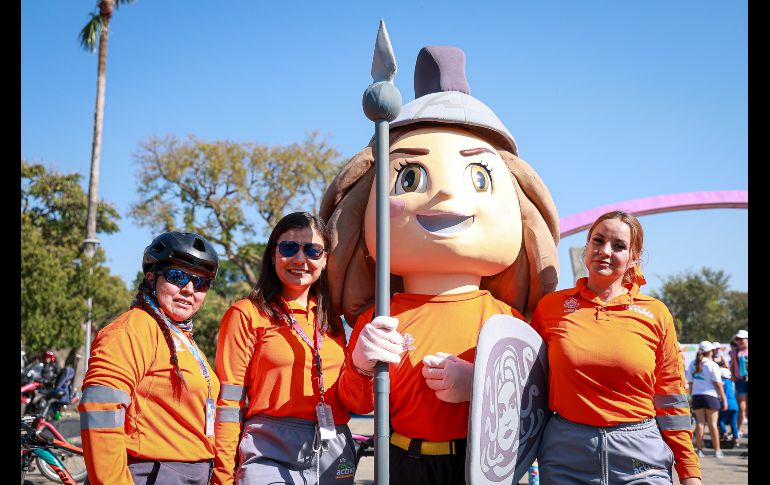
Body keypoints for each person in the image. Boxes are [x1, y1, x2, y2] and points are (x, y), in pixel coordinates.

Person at [320, 45, 559, 483]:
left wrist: (480, 387)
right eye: (409, 177)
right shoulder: (380, 318)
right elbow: (355, 402)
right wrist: (360, 365)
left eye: (479, 178)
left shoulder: (506, 324)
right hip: (401, 461)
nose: (446, 194)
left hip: (471, 464)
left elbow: (533, 407)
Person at [530, 211, 701, 484]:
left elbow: (671, 396)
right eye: (598, 241)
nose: (605, 251)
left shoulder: (656, 314)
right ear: (587, 246)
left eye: (619, 246)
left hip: (640, 457)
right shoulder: (550, 308)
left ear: (634, 257)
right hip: (566, 455)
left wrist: (689, 471)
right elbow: (529, 386)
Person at [212, 212, 356, 485]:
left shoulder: (333, 320)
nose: (300, 259)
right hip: (269, 447)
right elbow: (228, 404)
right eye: (289, 248)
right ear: (272, 255)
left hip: (333, 446)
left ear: (325, 260)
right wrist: (222, 476)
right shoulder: (246, 314)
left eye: (312, 250)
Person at [79, 232, 220, 485]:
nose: (189, 289)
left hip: (192, 472)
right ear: (151, 277)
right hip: (154, 473)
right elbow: (101, 410)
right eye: (178, 276)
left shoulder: (180, 336)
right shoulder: (131, 330)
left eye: (201, 283)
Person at [686, 340, 728, 459]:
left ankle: (699, 450)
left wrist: (690, 398)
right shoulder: (712, 364)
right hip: (711, 397)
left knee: (700, 423)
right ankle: (717, 451)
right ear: (709, 352)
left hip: (697, 396)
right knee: (713, 424)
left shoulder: (692, 364)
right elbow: (718, 384)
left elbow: (690, 383)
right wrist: (724, 399)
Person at [729, 329, 748, 437]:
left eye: (741, 339)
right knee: (741, 407)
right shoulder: (734, 352)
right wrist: (732, 375)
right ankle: (739, 430)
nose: (739, 341)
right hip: (740, 381)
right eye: (737, 339)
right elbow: (732, 365)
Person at [717, 364, 740, 448]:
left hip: (725, 404)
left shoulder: (721, 383)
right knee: (733, 423)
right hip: (734, 405)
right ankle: (736, 438)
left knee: (720, 420)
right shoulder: (731, 383)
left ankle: (725, 433)